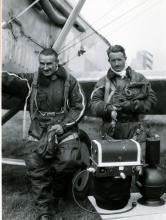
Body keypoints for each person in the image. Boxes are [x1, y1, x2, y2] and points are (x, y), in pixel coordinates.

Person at [2, 48, 86, 220]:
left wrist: (63, 126)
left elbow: (79, 106)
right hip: (39, 127)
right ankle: (44, 210)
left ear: (57, 63)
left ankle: (54, 196)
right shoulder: (32, 80)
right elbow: (11, 79)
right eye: (42, 64)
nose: (45, 67)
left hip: (63, 127)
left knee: (68, 161)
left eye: (49, 64)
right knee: (35, 164)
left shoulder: (70, 81)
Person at [89, 45, 157, 209]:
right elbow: (93, 103)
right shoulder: (103, 82)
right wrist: (108, 109)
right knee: (112, 166)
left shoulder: (139, 78)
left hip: (134, 128)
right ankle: (115, 197)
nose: (117, 63)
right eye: (113, 60)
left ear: (125, 58)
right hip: (111, 129)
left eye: (120, 59)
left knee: (138, 163)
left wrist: (132, 105)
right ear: (109, 61)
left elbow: (152, 100)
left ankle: (143, 196)